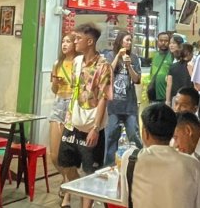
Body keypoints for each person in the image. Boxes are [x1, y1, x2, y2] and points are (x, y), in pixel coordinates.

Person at [58, 23, 113, 208]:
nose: (75, 41)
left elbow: (104, 98)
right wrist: (66, 118)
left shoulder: (104, 66)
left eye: (78, 38)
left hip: (91, 126)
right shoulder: (76, 62)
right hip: (71, 123)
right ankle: (71, 193)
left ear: (90, 41)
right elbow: (75, 91)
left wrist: (96, 128)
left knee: (90, 171)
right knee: (66, 163)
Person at [119, 104, 200, 208]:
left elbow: (125, 201)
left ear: (145, 133)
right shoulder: (193, 165)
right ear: (172, 132)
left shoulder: (130, 159)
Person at [104, 31, 143, 166]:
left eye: (130, 40)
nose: (129, 43)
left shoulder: (134, 57)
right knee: (111, 136)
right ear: (120, 41)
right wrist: (118, 57)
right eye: (127, 40)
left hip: (129, 104)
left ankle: (141, 160)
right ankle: (109, 165)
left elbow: (137, 79)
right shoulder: (110, 55)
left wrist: (129, 66)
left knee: (134, 134)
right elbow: (107, 73)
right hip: (113, 105)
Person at [49, 34, 76, 174]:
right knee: (54, 155)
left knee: (67, 154)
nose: (64, 44)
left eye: (68, 41)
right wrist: (55, 82)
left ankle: (67, 186)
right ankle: (67, 181)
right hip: (59, 103)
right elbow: (54, 90)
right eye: (63, 42)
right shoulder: (57, 63)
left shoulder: (79, 62)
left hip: (73, 104)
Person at [147, 32, 174, 103]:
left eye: (166, 41)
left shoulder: (172, 56)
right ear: (157, 41)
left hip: (166, 97)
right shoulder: (155, 55)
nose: (163, 43)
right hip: (153, 95)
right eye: (161, 40)